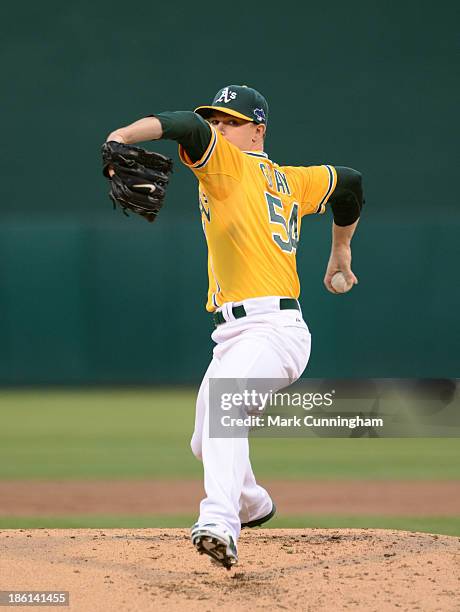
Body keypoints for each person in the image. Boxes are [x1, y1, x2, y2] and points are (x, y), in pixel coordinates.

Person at [106, 85, 364, 569]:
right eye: (218, 122)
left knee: (225, 402)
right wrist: (342, 247)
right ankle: (252, 504)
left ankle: (219, 521)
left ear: (257, 131)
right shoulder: (293, 180)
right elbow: (349, 182)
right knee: (204, 439)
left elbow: (185, 122)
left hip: (274, 328)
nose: (220, 129)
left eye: (231, 121)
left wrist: (123, 134)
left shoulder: (227, 164)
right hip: (235, 334)